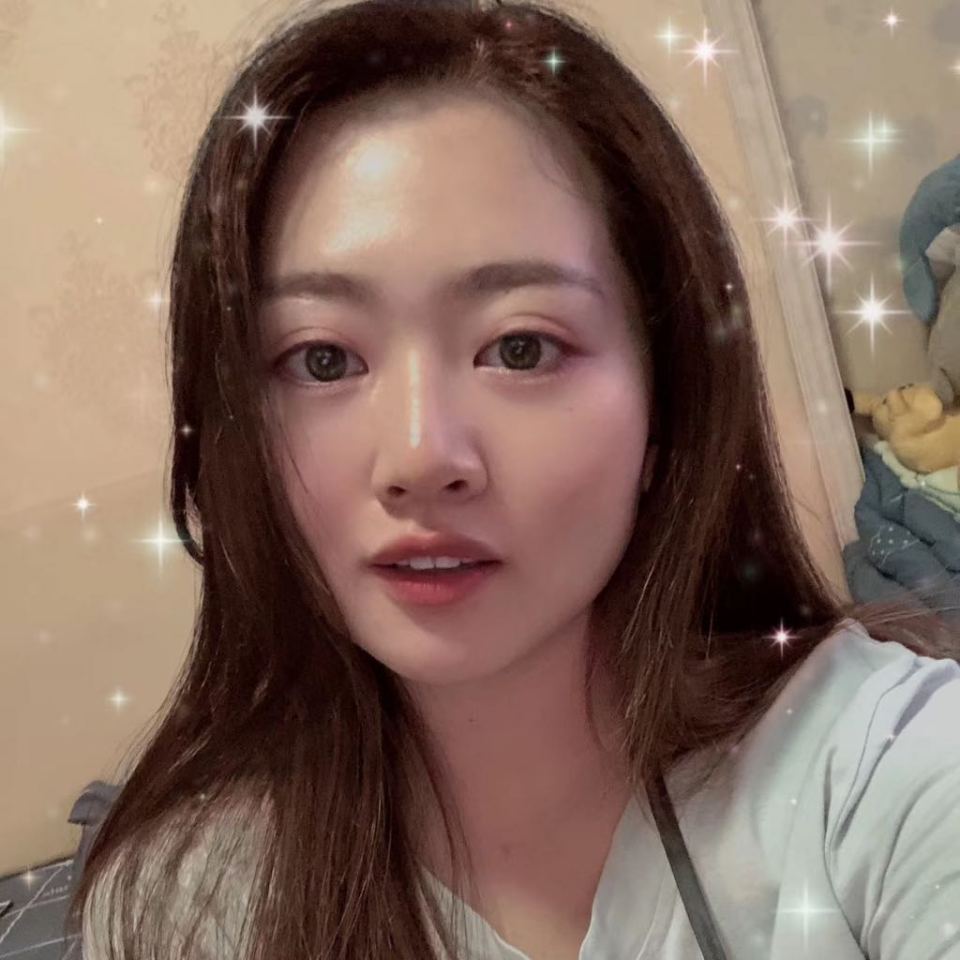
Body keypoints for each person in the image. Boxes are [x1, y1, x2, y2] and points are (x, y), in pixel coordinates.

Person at [66, 1, 960, 958]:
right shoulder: (181, 906)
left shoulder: (889, 775)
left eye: (521, 348)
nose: (421, 458)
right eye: (322, 360)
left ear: (666, 406)